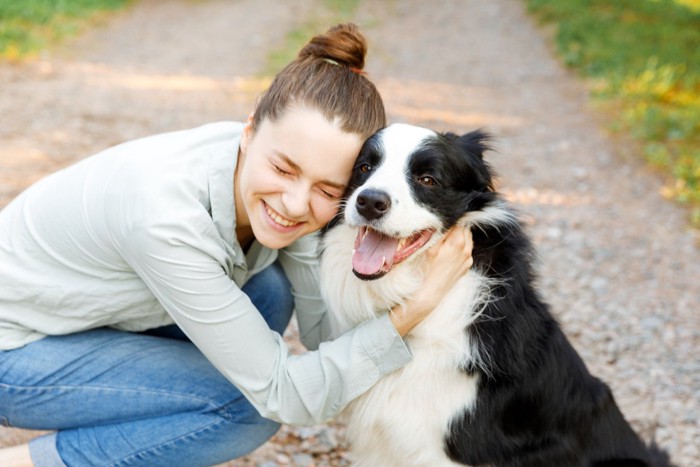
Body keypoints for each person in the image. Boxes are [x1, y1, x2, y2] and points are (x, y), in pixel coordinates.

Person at [0, 24, 474, 466]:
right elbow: (285, 396)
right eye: (285, 169)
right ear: (249, 130)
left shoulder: (265, 182)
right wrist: (419, 305)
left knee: (268, 290)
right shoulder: (164, 218)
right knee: (244, 407)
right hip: (13, 351)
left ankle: (149, 415)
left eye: (329, 189)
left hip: (86, 317)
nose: (293, 204)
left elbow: (324, 334)